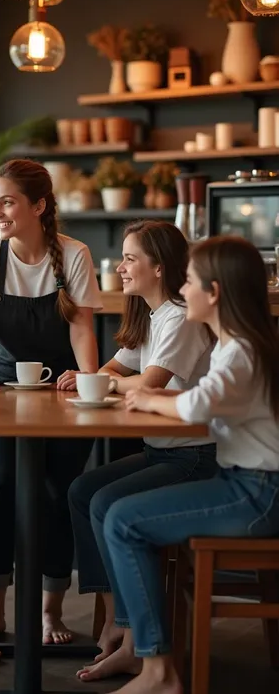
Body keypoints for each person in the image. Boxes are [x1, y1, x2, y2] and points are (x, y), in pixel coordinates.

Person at [98, 236, 279, 694]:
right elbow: (206, 399)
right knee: (116, 511)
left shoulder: (239, 350)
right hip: (250, 485)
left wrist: (147, 397)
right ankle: (151, 657)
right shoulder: (238, 343)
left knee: (122, 519)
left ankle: (158, 672)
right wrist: (155, 396)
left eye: (192, 281)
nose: (185, 288)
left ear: (214, 292)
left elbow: (199, 407)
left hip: (258, 494)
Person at [0, 158, 102, 644]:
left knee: (57, 491)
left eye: (8, 201)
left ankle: (50, 612)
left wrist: (86, 377)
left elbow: (82, 325)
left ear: (38, 205)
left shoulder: (74, 253)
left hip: (61, 390)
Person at [67, 220, 218, 681]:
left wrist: (102, 380)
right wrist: (91, 375)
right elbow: (122, 366)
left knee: (109, 503)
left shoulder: (178, 316)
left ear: (159, 266)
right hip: (164, 451)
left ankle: (135, 639)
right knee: (83, 490)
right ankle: (118, 617)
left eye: (131, 258)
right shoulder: (154, 315)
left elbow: (150, 383)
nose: (123, 267)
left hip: (195, 457)